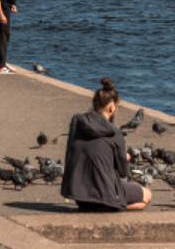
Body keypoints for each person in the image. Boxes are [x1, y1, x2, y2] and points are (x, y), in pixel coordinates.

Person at [61, 78, 152, 212]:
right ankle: (112, 205)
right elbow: (122, 172)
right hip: (104, 194)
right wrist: (124, 158)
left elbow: (70, 155)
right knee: (147, 195)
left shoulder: (76, 122)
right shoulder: (114, 132)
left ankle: (108, 205)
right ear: (111, 107)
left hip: (79, 196)